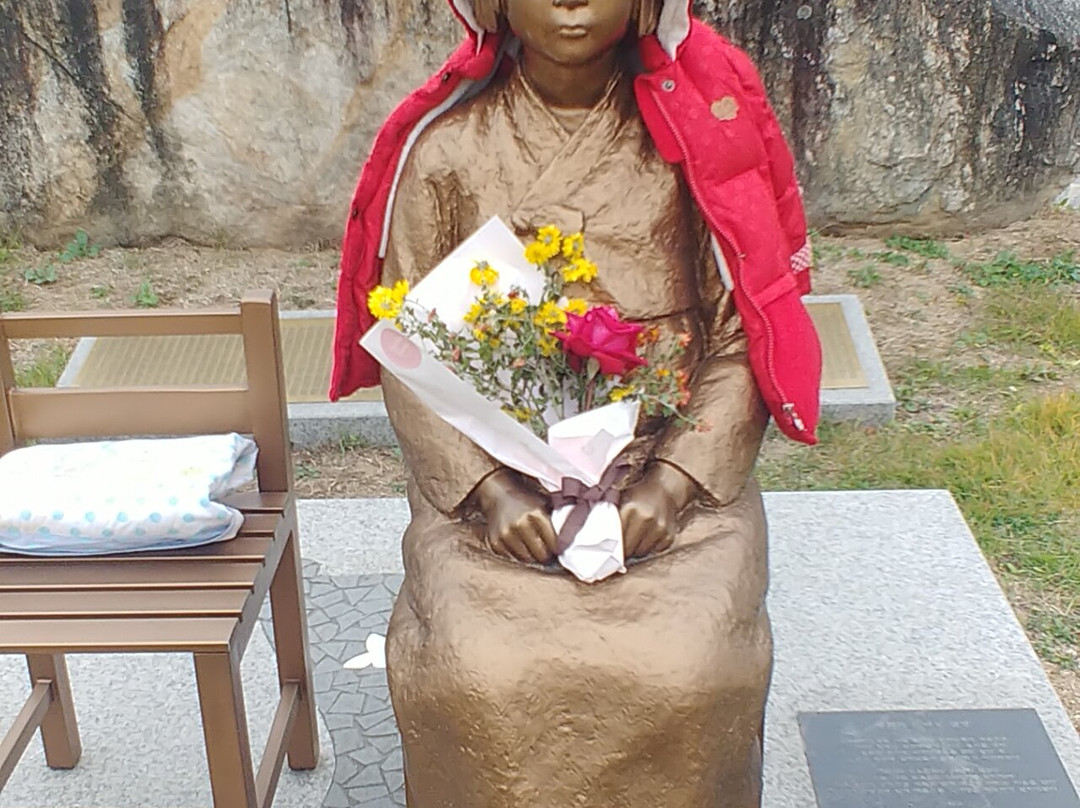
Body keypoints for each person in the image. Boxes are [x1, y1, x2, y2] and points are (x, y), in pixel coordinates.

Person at [331, 1, 822, 805]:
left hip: (668, 488)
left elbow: (741, 336)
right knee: (479, 667)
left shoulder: (692, 150)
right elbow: (408, 338)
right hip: (497, 493)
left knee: (688, 664)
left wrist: (672, 482)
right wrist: (488, 491)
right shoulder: (447, 154)